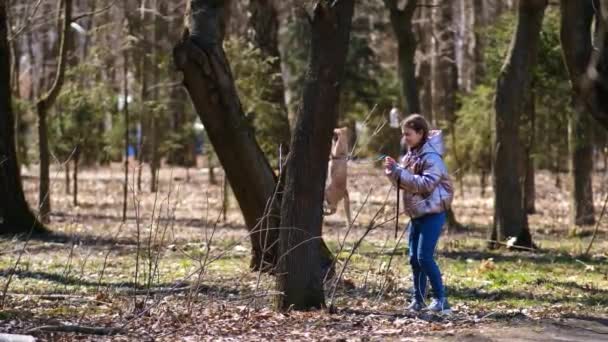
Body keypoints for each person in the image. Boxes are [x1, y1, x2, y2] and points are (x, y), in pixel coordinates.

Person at [384, 113, 454, 314]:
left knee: (424, 257)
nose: (405, 138)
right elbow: (405, 182)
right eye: (403, 134)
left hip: (432, 212)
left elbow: (426, 184)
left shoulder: (431, 157)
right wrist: (393, 172)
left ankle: (441, 300)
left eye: (408, 134)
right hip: (416, 213)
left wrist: (400, 172)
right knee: (414, 258)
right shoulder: (410, 155)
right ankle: (419, 299)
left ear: (421, 133)